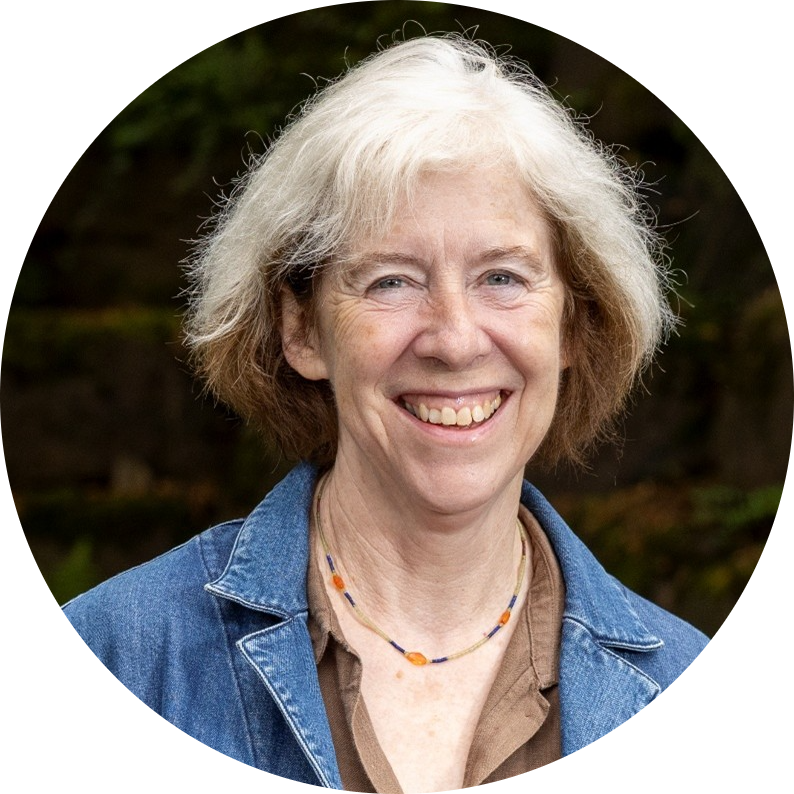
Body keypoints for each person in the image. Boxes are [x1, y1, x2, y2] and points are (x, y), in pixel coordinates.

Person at [63, 34, 709, 790]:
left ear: (573, 323)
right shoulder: (123, 652)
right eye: (391, 282)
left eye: (502, 277)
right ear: (302, 330)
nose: (455, 340)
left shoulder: (678, 671)